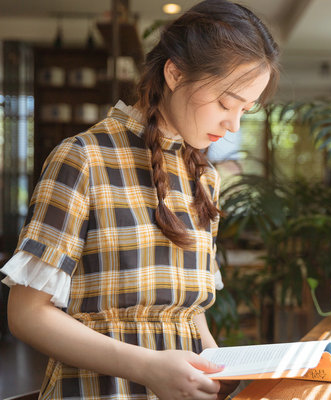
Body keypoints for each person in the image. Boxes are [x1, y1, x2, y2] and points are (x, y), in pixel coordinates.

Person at [0, 0, 279, 398]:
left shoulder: (204, 178)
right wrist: (148, 368)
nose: (233, 124)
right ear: (175, 73)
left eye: (245, 111)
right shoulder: (83, 159)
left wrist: (215, 365)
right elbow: (25, 316)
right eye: (225, 103)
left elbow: (188, 312)